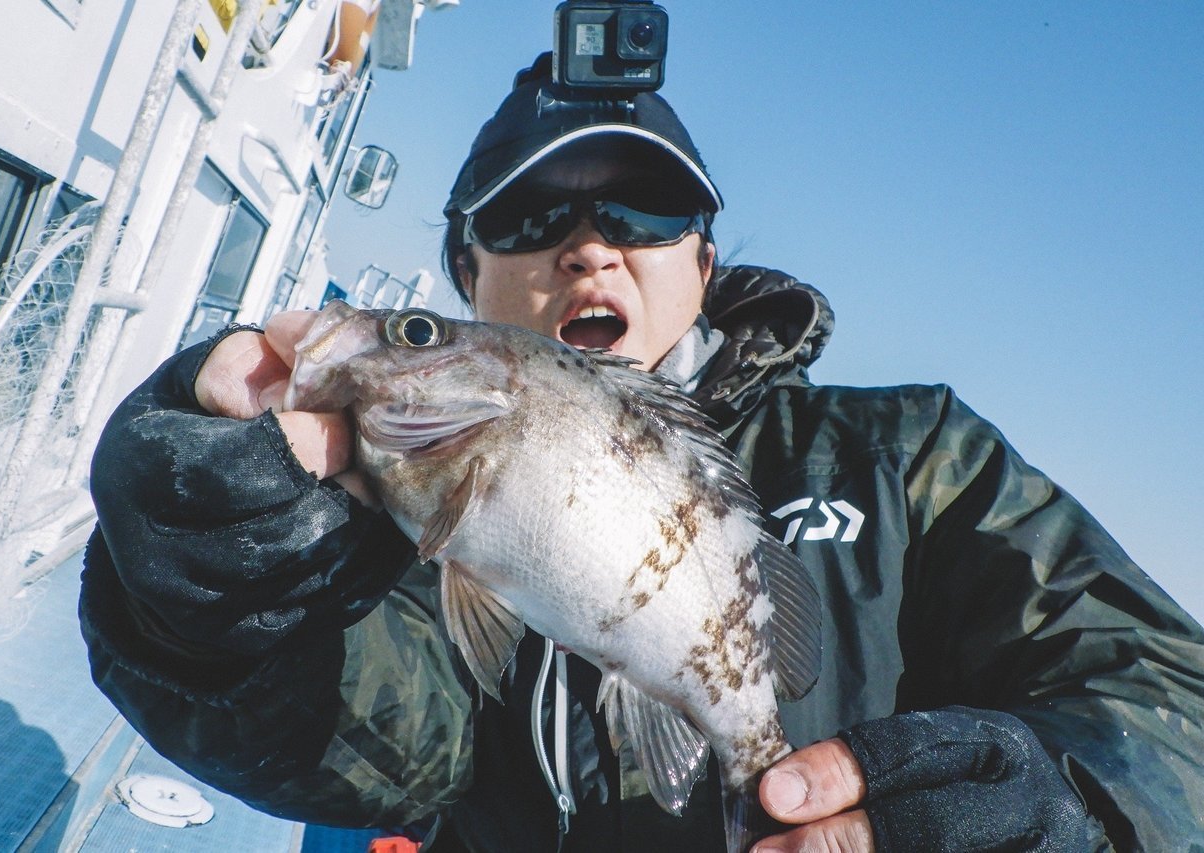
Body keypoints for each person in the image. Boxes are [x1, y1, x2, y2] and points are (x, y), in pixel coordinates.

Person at [80, 52, 1204, 852]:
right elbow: (390, 746)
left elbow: (1163, 687)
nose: (587, 248)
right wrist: (210, 614)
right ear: (463, 275)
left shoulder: (909, 452)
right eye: (526, 219)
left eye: (645, 210)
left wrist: (1084, 810)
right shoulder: (384, 503)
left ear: (704, 263)